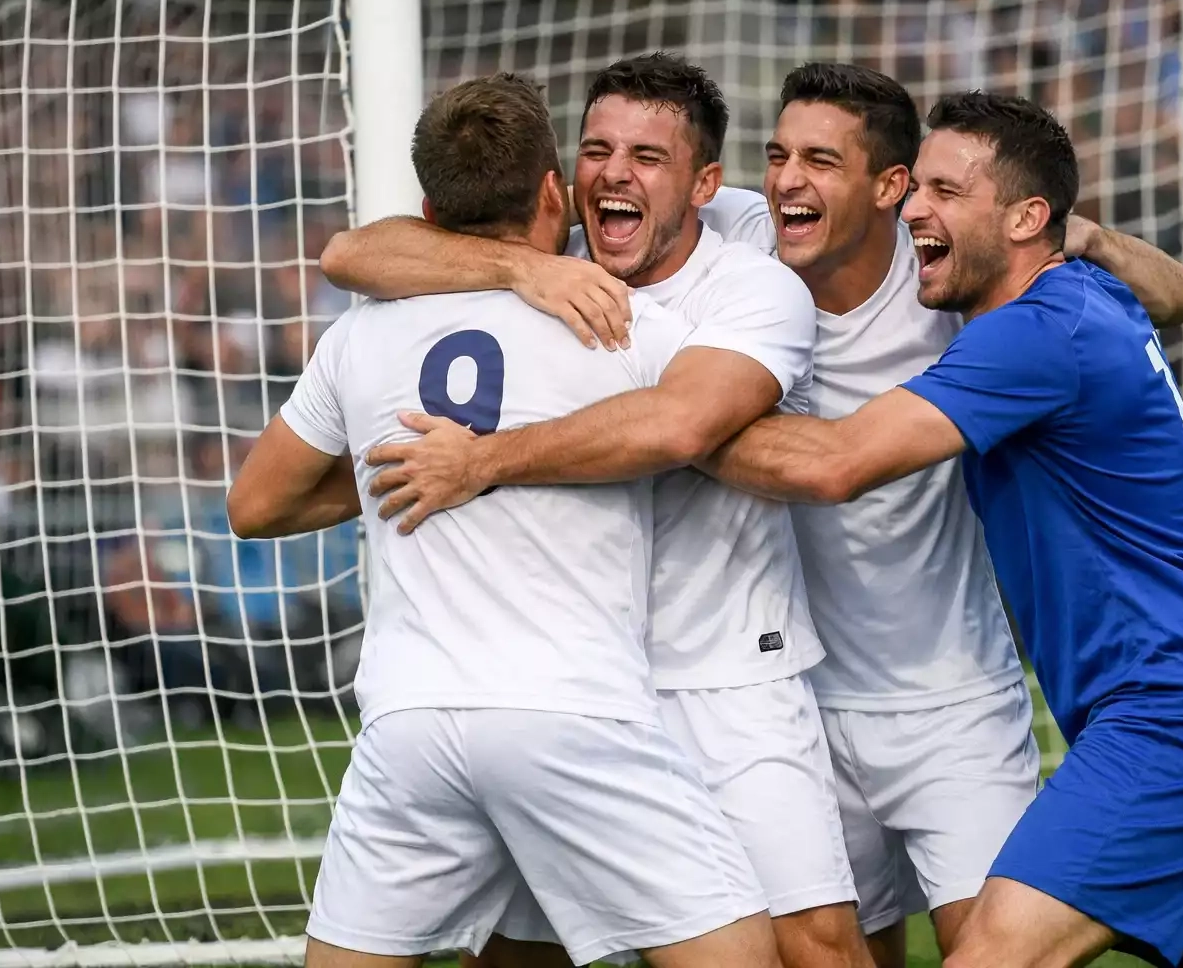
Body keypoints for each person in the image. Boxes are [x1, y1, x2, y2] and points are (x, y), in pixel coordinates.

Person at [702, 92, 1183, 968]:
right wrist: (1095, 237)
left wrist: (674, 425)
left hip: (1174, 714)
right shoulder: (1085, 291)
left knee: (997, 955)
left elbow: (834, 467)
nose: (916, 208)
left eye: (946, 191)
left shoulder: (1033, 337)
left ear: (1027, 217)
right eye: (915, 185)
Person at [320, 54, 871, 968]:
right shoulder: (551, 259)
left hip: (722, 666)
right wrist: (518, 270)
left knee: (810, 941)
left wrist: (484, 460)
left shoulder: (749, 279)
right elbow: (350, 253)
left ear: (704, 184)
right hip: (573, 681)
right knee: (514, 954)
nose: (616, 172)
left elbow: (680, 421)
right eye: (596, 149)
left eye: (648, 157)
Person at [226, 73, 779, 968]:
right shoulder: (623, 325)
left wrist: (401, 466)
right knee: (741, 956)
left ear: (428, 209)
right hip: (571, 711)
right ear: (556, 193)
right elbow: (717, 433)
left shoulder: (362, 336)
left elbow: (254, 504)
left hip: (409, 720)